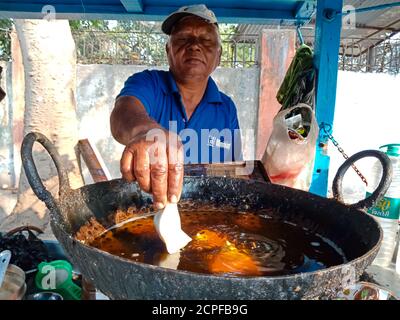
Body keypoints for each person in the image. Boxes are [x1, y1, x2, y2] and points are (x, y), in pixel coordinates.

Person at [110, 4, 242, 210]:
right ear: (168, 50)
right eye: (183, 39)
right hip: (147, 208)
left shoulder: (227, 108)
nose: (194, 46)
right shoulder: (148, 83)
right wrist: (145, 132)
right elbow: (124, 112)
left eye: (206, 40)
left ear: (219, 56)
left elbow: (233, 170)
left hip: (208, 214)